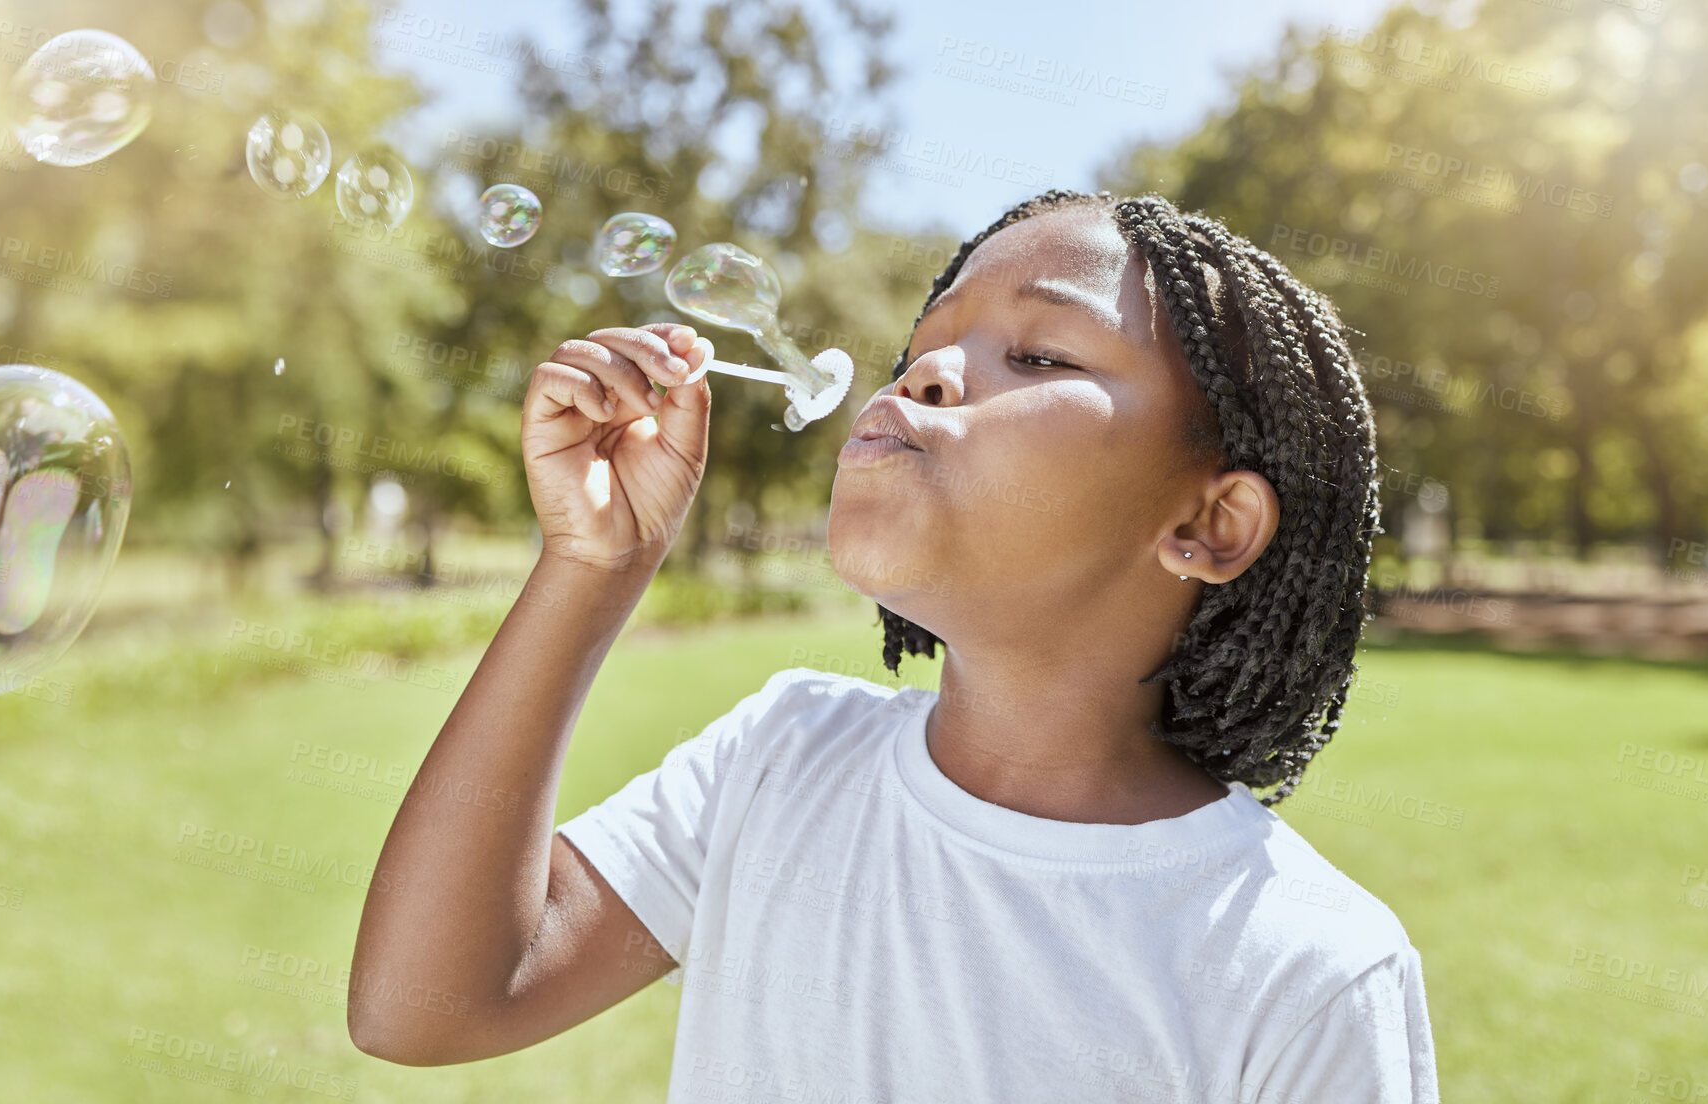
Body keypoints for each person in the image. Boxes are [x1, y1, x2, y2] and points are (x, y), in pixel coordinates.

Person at [347, 188, 1440, 1103]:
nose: (923, 375)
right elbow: (424, 1005)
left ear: (1209, 524)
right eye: (921, 347)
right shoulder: (780, 759)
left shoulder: (1312, 969)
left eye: (1037, 351)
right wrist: (593, 567)